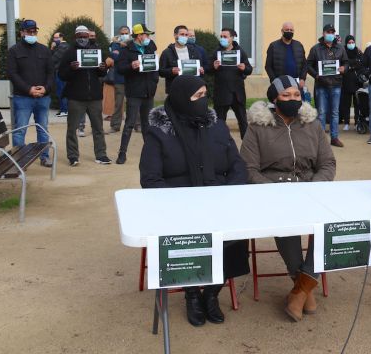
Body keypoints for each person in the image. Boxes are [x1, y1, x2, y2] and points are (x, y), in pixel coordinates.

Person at [140, 75, 250, 327]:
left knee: (234, 231)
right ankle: (191, 293)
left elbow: (237, 165)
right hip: (179, 204)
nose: (203, 101)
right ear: (181, 98)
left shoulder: (217, 126)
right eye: (197, 96)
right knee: (186, 235)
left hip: (219, 198)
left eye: (204, 95)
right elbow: (150, 178)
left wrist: (229, 193)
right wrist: (180, 204)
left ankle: (211, 293)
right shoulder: (159, 133)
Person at [239, 75, 336, 322]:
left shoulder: (312, 124)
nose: (293, 100)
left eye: (297, 95)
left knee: (329, 225)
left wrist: (315, 187)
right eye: (286, 96)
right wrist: (274, 191)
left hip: (310, 188)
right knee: (287, 224)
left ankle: (301, 289)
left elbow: (327, 163)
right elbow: (248, 169)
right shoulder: (257, 127)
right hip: (274, 190)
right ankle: (303, 285)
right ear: (274, 99)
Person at [58, 25, 110, 166]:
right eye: (80, 36)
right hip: (76, 97)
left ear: (89, 36)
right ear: (76, 37)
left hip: (94, 97)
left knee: (98, 128)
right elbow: (61, 75)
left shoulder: (97, 51)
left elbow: (102, 73)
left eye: (85, 36)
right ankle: (73, 156)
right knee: (72, 128)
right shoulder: (69, 52)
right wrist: (71, 68)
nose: (83, 39)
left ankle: (101, 155)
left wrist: (102, 68)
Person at [6, 19, 55, 167]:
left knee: (43, 128)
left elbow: (51, 72)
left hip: (43, 97)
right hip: (23, 97)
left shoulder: (44, 50)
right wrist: (29, 89)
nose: (32, 34)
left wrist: (46, 88)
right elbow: (12, 74)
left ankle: (44, 156)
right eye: (29, 32)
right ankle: (20, 159)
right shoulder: (14, 51)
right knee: (20, 130)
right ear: (22, 33)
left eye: (34, 31)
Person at [114, 23, 158, 165]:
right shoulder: (127, 50)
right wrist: (130, 66)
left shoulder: (151, 46)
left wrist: (154, 81)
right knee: (130, 123)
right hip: (134, 91)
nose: (148, 37)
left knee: (147, 124)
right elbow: (120, 68)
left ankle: (150, 153)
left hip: (148, 91)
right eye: (146, 34)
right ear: (139, 36)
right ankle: (122, 153)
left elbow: (155, 64)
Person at [306, 24, 348, 147]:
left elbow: (346, 62)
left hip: (336, 84)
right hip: (321, 85)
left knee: (335, 113)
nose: (330, 34)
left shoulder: (340, 48)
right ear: (323, 33)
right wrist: (316, 75)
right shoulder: (316, 49)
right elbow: (308, 65)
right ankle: (321, 139)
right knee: (322, 113)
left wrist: (343, 68)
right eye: (328, 32)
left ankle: (334, 138)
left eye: (332, 32)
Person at [209, 27, 253, 137]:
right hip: (221, 93)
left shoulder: (240, 51)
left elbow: (249, 69)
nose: (222, 39)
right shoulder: (216, 52)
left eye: (225, 37)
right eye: (221, 37)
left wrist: (244, 68)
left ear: (232, 38)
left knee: (243, 121)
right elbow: (208, 70)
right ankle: (220, 145)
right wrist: (213, 67)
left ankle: (247, 146)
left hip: (237, 93)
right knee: (219, 122)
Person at [159, 25, 204, 93]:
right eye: (182, 34)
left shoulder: (194, 51)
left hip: (191, 88)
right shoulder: (167, 53)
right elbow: (161, 71)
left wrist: (201, 70)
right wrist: (171, 71)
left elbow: (200, 68)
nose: (184, 37)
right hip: (175, 89)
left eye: (186, 35)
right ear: (175, 35)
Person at [264, 22, 306, 88]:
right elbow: (268, 66)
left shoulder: (299, 45)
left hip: (297, 83)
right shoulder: (273, 46)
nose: (289, 31)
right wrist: (274, 80)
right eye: (287, 30)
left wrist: (303, 79)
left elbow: (304, 65)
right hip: (280, 83)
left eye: (291, 30)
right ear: (282, 31)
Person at [107, 26, 130, 132]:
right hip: (119, 78)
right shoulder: (115, 45)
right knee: (118, 103)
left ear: (130, 34)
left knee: (133, 103)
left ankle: (137, 125)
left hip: (132, 78)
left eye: (126, 33)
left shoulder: (133, 44)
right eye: (122, 33)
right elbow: (114, 57)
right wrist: (121, 46)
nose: (125, 35)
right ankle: (115, 125)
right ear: (119, 34)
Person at [339, 35, 364, 131]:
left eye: (352, 42)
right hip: (346, 81)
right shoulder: (343, 52)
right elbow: (344, 64)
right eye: (349, 42)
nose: (351, 44)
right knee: (346, 103)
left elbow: (361, 64)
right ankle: (346, 122)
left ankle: (357, 122)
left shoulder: (358, 52)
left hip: (357, 82)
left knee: (358, 103)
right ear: (346, 43)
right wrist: (352, 65)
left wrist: (350, 66)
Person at [51, 32, 70, 117]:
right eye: (54, 38)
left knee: (61, 91)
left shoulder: (63, 46)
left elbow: (53, 59)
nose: (54, 40)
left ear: (61, 37)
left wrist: (52, 49)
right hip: (61, 71)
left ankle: (64, 110)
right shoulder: (62, 46)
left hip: (61, 72)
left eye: (56, 38)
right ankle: (63, 109)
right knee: (61, 91)